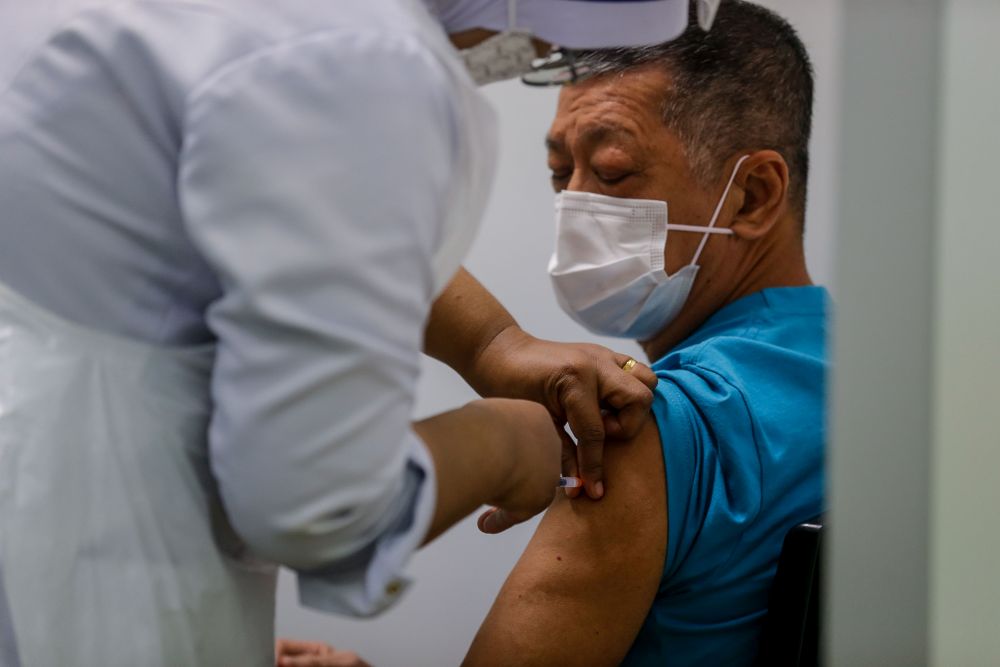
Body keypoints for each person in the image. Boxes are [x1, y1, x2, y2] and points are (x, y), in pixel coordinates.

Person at [0, 0, 729, 665]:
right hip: (80, 549)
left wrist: (494, 347)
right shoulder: (360, 57)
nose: (531, 53)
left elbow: (273, 219)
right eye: (552, 46)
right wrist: (505, 445)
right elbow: (309, 502)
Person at [464, 3, 826, 665]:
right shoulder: (879, 379)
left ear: (752, 195)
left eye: (610, 174)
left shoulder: (646, 428)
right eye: (559, 177)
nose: (574, 207)